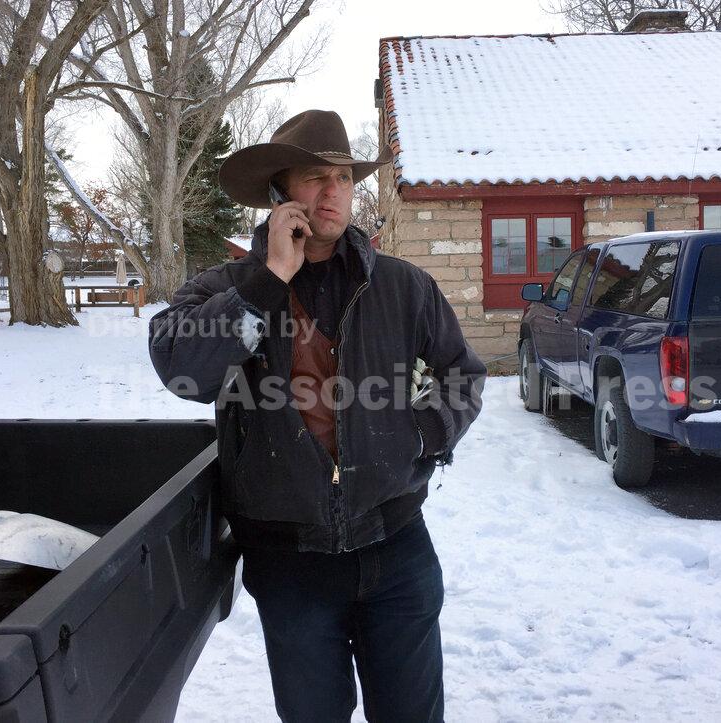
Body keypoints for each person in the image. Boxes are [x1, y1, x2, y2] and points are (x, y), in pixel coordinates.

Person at [149, 109, 486, 722]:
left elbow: (462, 376)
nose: (333, 192)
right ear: (281, 194)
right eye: (314, 178)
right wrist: (271, 276)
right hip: (289, 561)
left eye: (344, 179)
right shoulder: (223, 288)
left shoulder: (404, 287)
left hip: (397, 546)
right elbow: (185, 372)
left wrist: (420, 432)